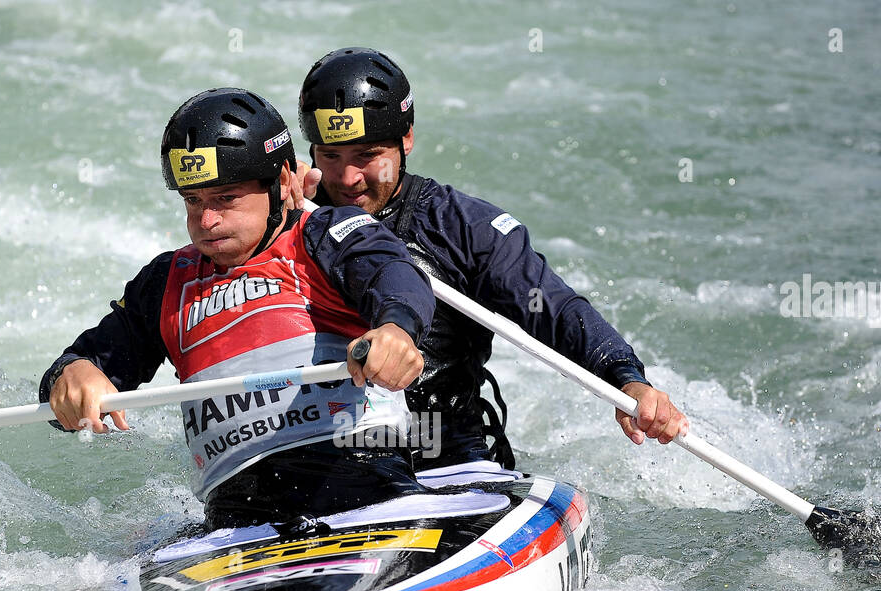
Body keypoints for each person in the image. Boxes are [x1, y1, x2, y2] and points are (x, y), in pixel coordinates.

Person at [39, 88, 436, 529]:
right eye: (194, 201)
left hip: (367, 485)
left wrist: (396, 331)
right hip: (236, 519)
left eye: (226, 199)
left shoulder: (328, 234)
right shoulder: (166, 282)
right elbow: (88, 363)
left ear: (283, 182)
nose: (206, 221)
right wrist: (73, 375)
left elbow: (396, 279)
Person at [295, 47, 689, 469]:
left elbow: (551, 307)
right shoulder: (286, 214)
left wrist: (627, 382)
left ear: (406, 137)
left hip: (438, 454)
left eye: (367, 156)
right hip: (315, 455)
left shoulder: (464, 228)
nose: (348, 178)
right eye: (330, 156)